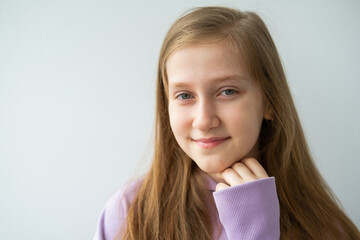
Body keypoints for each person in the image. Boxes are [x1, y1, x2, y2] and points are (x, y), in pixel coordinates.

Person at [93, 6, 360, 240]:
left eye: (227, 91)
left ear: (270, 101)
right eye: (185, 95)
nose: (204, 120)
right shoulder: (129, 212)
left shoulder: (325, 229)